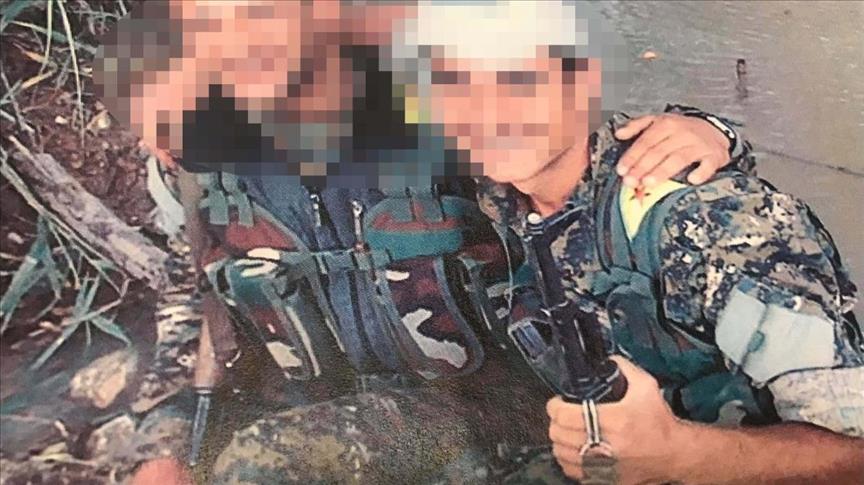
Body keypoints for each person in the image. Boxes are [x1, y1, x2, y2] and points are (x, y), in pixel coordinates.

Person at [101, 2, 766, 483]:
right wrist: (165, 446)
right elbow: (199, 313)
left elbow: (568, 146)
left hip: (493, 412)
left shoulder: (436, 111)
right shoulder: (197, 164)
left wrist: (710, 133)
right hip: (325, 409)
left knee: (263, 464)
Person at [381, 1, 864, 483]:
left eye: (516, 79)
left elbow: (853, 456)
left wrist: (681, 454)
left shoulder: (710, 220)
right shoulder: (497, 195)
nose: (482, 111)